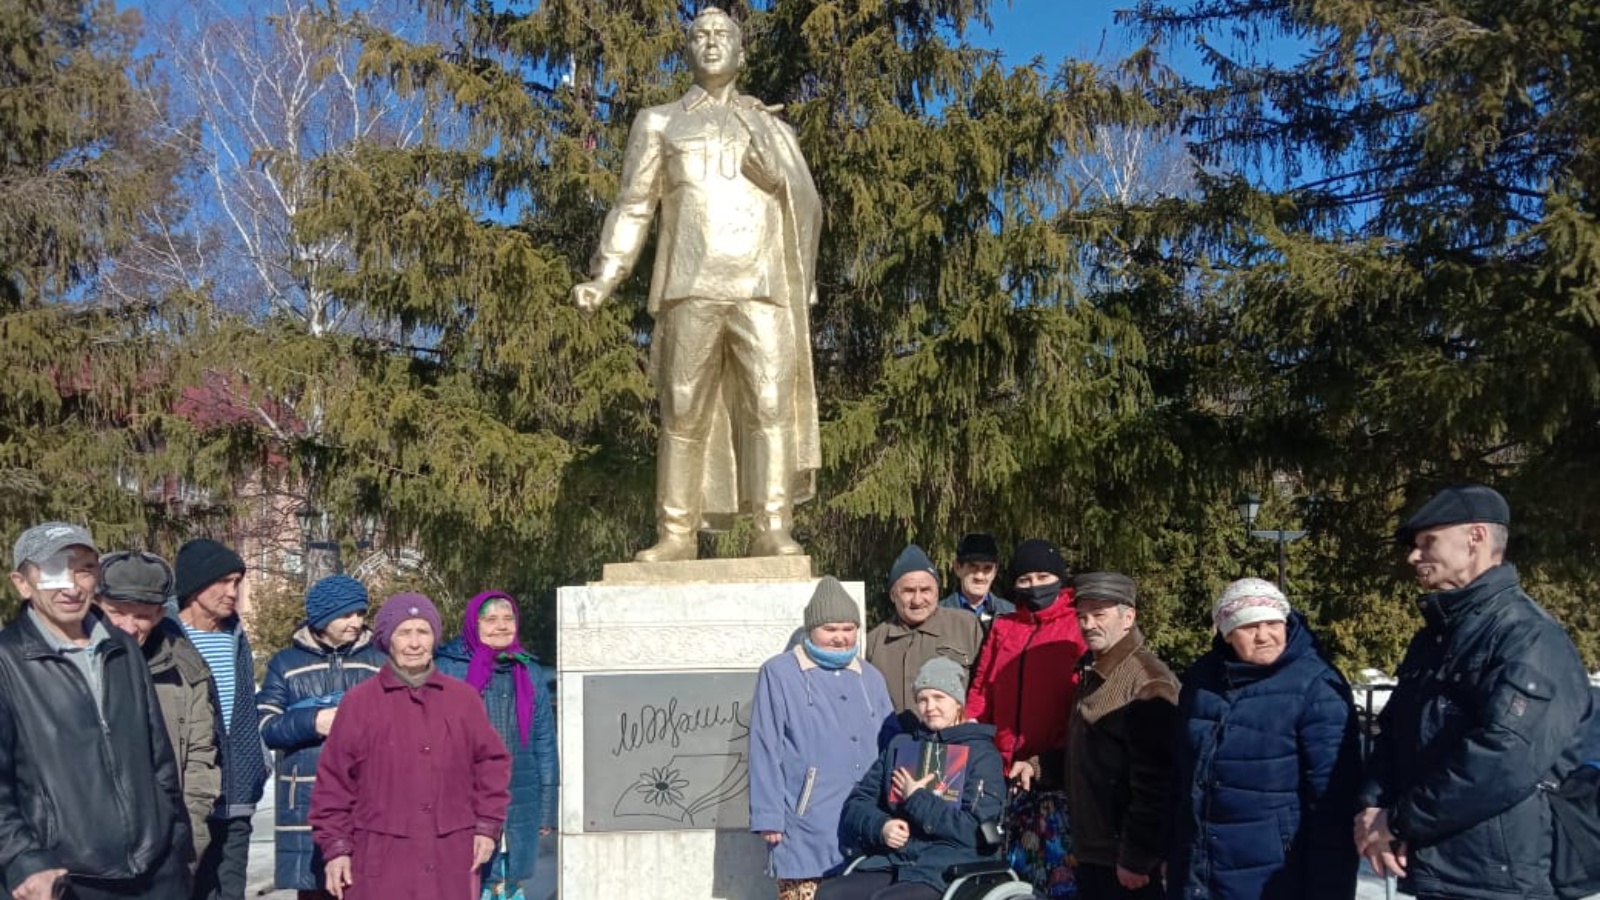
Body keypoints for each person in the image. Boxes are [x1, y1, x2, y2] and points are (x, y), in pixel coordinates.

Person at [571, 5, 823, 562]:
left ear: (741, 51)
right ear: (688, 49)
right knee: (682, 410)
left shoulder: (771, 127)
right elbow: (634, 206)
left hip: (763, 287)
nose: (711, 43)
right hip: (691, 286)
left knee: (771, 405)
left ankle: (773, 526)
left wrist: (778, 180)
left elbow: (808, 203)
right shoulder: (660, 122)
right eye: (700, 34)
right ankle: (676, 534)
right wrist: (605, 277)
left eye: (722, 35)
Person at [1355, 485, 1592, 900]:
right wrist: (1374, 807)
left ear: (1476, 537)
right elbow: (1395, 732)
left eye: (1427, 542)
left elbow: (1505, 758)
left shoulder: (1529, 636)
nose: (1414, 556)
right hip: (1437, 866)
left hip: (1502, 878)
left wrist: (1400, 820)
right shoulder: (1436, 638)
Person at [0, 523, 190, 900]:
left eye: (84, 569)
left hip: (155, 874)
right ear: (22, 583)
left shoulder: (122, 649)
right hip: (64, 880)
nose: (72, 587)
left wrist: (174, 839)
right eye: (54, 571)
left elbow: (159, 758)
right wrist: (23, 859)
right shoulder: (8, 662)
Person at [309, 592, 512, 900]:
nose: (415, 643)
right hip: (381, 861)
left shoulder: (463, 700)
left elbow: (492, 765)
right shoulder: (360, 704)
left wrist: (487, 825)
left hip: (451, 856)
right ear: (387, 640)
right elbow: (333, 783)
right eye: (404, 633)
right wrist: (336, 846)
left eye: (423, 632)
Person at [1168, 577, 1361, 900]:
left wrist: (1331, 889)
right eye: (1248, 627)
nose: (1263, 636)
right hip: (1201, 872)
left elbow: (1333, 804)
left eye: (1273, 623)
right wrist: (1172, 856)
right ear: (1227, 634)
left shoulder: (1315, 685)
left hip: (1276, 877)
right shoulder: (1203, 680)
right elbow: (1182, 777)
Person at [750, 576, 895, 900]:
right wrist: (768, 815)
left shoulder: (870, 676)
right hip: (807, 823)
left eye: (848, 628)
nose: (841, 638)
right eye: (830, 629)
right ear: (811, 629)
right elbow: (765, 745)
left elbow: (891, 742)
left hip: (865, 822)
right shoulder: (779, 673)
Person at [823, 657, 1006, 900]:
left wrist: (916, 798)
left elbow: (974, 830)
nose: (930, 707)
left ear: (957, 701)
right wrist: (882, 827)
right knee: (830, 894)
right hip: (897, 859)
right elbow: (857, 804)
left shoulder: (982, 754)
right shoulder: (902, 746)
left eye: (939, 697)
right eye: (922, 699)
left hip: (950, 866)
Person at [965, 538, 1086, 896]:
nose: (1034, 586)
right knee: (1008, 874)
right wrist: (972, 733)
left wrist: (1047, 761)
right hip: (1002, 771)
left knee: (1058, 875)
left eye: (1043, 576)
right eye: (1025, 579)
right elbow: (981, 689)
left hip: (1053, 773)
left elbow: (1080, 699)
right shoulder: (1004, 627)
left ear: (1059, 579)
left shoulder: (1076, 626)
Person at [256, 574, 385, 899]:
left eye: (359, 613)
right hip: (304, 804)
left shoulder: (378, 663)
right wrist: (314, 721)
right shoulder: (285, 664)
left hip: (366, 799)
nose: (355, 622)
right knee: (314, 889)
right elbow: (265, 726)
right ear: (323, 617)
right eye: (345, 614)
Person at [98, 549, 222, 872]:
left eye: (141, 615)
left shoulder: (187, 671)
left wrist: (189, 846)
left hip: (164, 853)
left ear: (157, 615)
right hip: (86, 857)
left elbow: (200, 763)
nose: (128, 626)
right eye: (117, 612)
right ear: (97, 606)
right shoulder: (65, 668)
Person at [1060, 573, 1177, 900]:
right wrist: (1039, 767)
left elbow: (1157, 783)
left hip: (1127, 865)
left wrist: (1137, 857)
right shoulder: (1090, 672)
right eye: (1082, 615)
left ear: (1129, 617)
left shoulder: (1148, 681)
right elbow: (1093, 754)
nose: (1088, 624)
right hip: (1093, 853)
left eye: (1099, 614)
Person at [437, 591, 559, 900]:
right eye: (490, 620)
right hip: (465, 797)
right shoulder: (449, 668)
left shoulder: (527, 669)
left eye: (508, 619)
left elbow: (544, 741)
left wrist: (547, 809)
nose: (501, 626)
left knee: (510, 883)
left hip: (521, 796)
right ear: (473, 624)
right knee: (468, 882)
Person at [174, 538, 269, 900]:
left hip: (237, 795)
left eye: (237, 583)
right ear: (195, 584)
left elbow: (246, 708)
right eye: (223, 582)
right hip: (187, 797)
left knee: (231, 893)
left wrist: (256, 765)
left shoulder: (236, 637)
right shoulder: (168, 637)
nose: (233, 592)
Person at [864, 545, 983, 714]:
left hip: (954, 737)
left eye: (926, 590)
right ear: (892, 595)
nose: (917, 600)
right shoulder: (874, 642)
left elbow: (985, 688)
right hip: (895, 738)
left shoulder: (966, 627)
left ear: (937, 593)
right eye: (908, 591)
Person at [937, 533, 1014, 625]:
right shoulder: (937, 615)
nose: (979, 576)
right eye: (973, 567)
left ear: (995, 572)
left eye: (987, 568)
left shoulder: (1011, 614)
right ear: (958, 568)